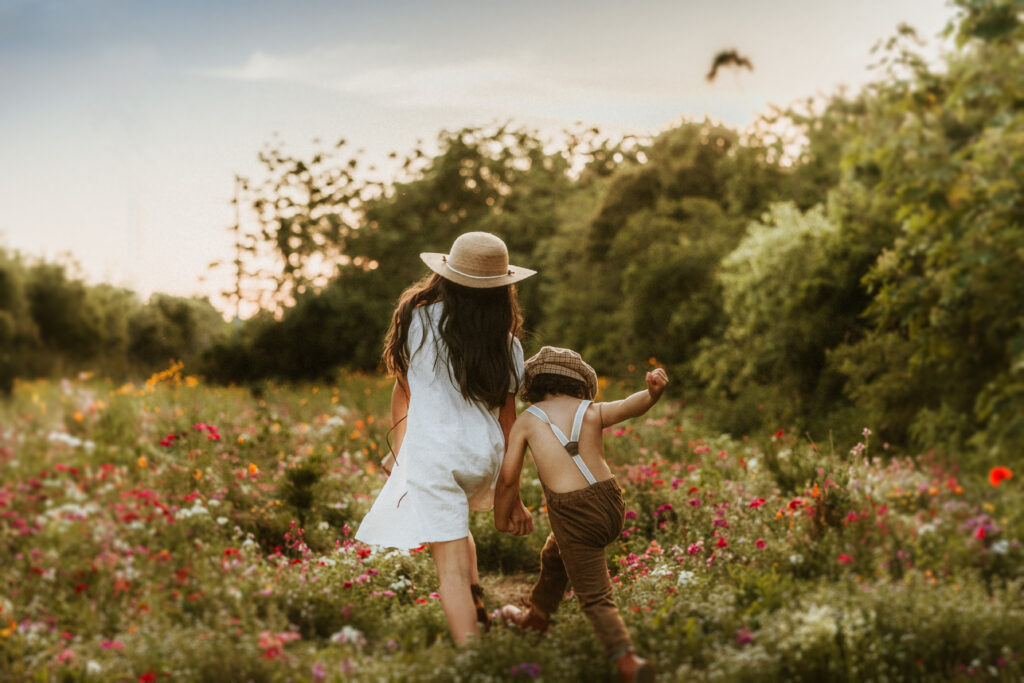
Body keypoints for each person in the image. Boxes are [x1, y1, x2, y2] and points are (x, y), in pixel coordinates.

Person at [355, 231, 536, 645]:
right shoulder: (507, 345)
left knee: (449, 565)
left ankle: (472, 657)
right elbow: (510, 424)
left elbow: (404, 391)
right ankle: (481, 617)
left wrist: (398, 454)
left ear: (446, 276)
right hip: (484, 456)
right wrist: (512, 495)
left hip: (433, 455)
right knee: (457, 532)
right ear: (502, 290)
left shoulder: (415, 319)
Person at [493, 346, 667, 683]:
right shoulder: (590, 410)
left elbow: (508, 477)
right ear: (580, 385)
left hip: (574, 514)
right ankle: (538, 616)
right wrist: (652, 393)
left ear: (535, 384)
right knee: (555, 552)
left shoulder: (528, 420)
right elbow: (629, 407)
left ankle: (627, 661)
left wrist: (502, 517)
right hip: (611, 504)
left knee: (595, 596)